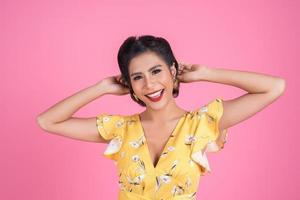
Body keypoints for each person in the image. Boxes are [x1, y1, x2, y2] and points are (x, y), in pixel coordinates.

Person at [36, 35, 286, 200]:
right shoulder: (121, 129)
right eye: (137, 77)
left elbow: (274, 87)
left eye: (156, 71)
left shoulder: (202, 123)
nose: (150, 84)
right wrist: (102, 87)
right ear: (129, 84)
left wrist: (207, 73)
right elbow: (48, 121)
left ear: (173, 71)